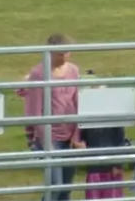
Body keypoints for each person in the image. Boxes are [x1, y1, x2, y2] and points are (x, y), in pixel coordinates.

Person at [16, 33, 83, 201]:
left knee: (66, 188)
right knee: (55, 187)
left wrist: (76, 135)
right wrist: (47, 144)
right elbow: (34, 111)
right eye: (61, 53)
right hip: (49, 138)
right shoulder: (39, 74)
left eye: (68, 52)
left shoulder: (73, 70)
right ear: (50, 52)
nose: (65, 57)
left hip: (69, 136)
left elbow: (77, 102)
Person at [79, 72, 127, 200]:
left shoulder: (115, 119)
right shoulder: (87, 117)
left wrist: (118, 164)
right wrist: (81, 142)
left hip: (111, 168)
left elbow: (120, 141)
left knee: (112, 195)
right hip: (94, 167)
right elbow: (82, 136)